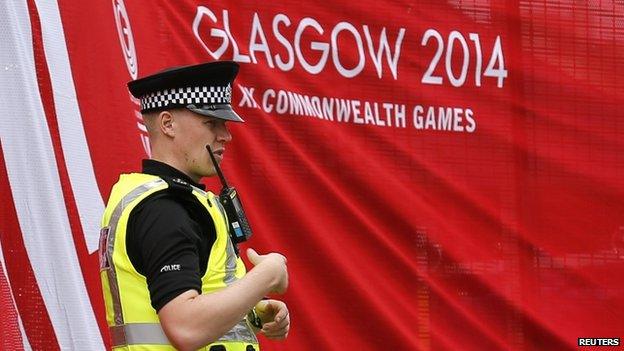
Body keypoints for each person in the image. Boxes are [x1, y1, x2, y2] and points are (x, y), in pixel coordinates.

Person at [99, 61, 289, 351]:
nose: (226, 135)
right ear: (167, 124)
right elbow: (186, 327)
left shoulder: (165, 200)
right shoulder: (165, 209)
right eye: (211, 123)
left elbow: (194, 299)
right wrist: (266, 276)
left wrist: (251, 312)